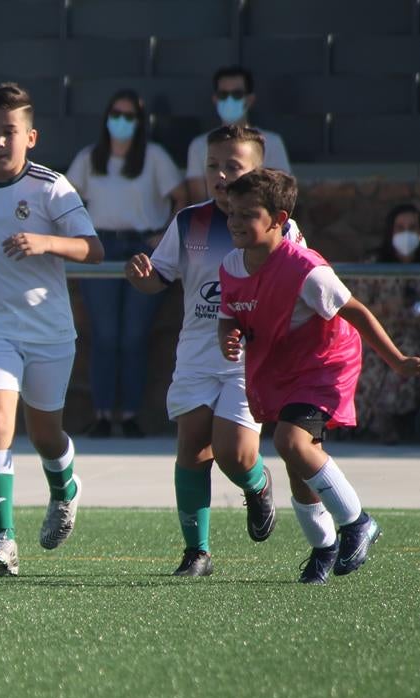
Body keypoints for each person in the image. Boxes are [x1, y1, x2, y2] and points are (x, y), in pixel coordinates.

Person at [218, 169, 420, 584]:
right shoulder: (231, 265)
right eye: (232, 212)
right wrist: (230, 336)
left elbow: (357, 312)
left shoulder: (306, 271)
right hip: (277, 369)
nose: (236, 221)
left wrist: (397, 360)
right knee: (297, 464)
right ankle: (324, 547)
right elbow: (229, 316)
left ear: (278, 218)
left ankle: (357, 522)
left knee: (289, 441)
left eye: (248, 214)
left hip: (325, 365)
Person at [0, 82, 104, 576]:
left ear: (30, 137)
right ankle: (2, 540)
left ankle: (64, 489)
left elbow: (92, 249)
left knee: (45, 435)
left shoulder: (52, 187)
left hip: (49, 332)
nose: (0, 141)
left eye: (10, 132)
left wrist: (45, 242)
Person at [125, 125, 291, 577]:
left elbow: (299, 284)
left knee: (235, 452)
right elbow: (157, 276)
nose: (220, 176)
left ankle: (256, 485)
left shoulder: (281, 226)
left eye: (232, 166)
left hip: (246, 355)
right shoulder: (189, 221)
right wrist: (141, 276)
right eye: (212, 166)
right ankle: (197, 552)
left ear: (258, 172)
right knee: (192, 445)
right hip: (197, 351)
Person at [66, 89, 186, 438]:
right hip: (102, 247)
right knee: (104, 335)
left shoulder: (154, 156)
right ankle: (103, 414)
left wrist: (165, 235)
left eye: (129, 116)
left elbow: (181, 196)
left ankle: (130, 414)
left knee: (133, 335)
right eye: (116, 114)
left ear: (140, 121)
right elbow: (67, 198)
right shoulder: (90, 157)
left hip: (142, 248)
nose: (121, 122)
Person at [355, 202, 420, 442]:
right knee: (371, 362)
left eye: (413, 228)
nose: (406, 233)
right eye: (400, 227)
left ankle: (388, 423)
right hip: (377, 336)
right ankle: (361, 425)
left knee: (407, 357)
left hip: (411, 338)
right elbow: (354, 308)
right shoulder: (373, 265)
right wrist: (385, 308)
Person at [183, 66, 291, 203]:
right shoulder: (198, 146)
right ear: (215, 99)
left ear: (250, 99)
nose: (229, 100)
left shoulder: (272, 143)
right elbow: (198, 200)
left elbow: (279, 195)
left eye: (237, 94)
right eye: (223, 94)